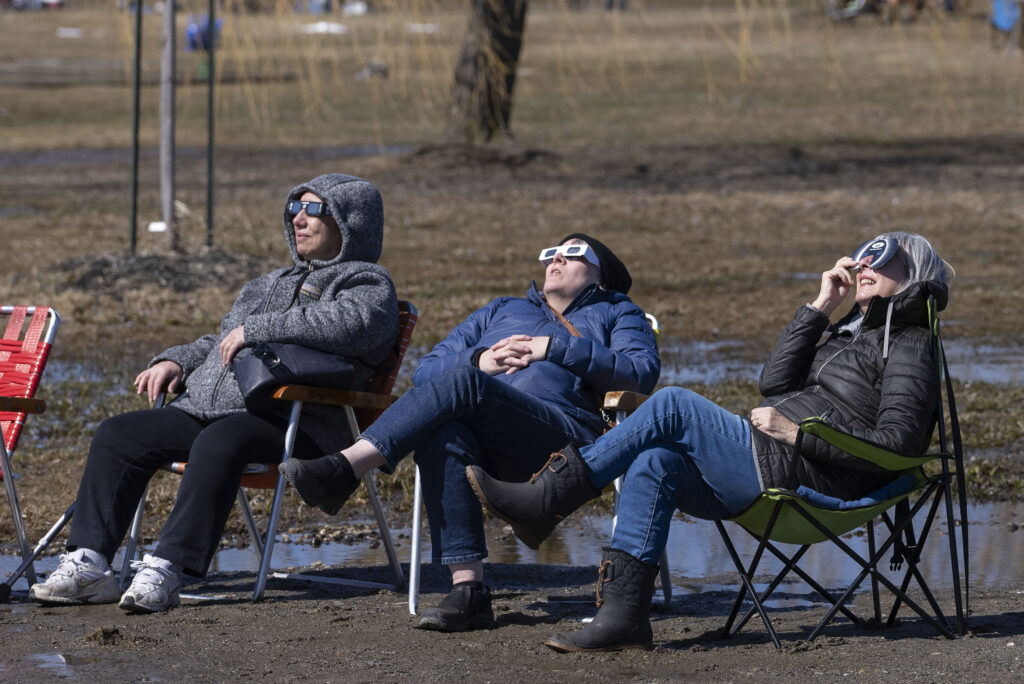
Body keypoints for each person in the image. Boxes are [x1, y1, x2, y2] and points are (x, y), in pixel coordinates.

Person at [469, 231, 952, 651]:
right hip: (774, 466)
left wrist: (796, 435)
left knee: (673, 404)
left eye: (882, 256)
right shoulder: (848, 333)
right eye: (862, 253)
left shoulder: (911, 343)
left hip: (812, 479)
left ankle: (548, 497)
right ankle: (622, 616)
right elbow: (775, 383)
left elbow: (896, 447)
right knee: (654, 460)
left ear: (913, 274)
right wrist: (822, 306)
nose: (865, 263)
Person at [29, 174, 399, 613]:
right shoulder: (266, 284)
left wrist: (258, 328)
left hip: (297, 422)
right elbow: (220, 340)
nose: (299, 218)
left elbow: (349, 326)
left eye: (314, 209)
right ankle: (89, 565)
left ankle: (168, 569)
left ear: (348, 221)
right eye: (294, 209)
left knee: (221, 441)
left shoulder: (367, 284)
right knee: (118, 433)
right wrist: (177, 360)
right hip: (210, 410)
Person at [280, 233, 660, 632]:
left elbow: (639, 372)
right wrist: (482, 358)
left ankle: (347, 468)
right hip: (489, 437)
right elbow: (427, 371)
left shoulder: (619, 311)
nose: (556, 260)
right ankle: (468, 593)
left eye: (574, 253)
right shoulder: (501, 310)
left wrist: (557, 348)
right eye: (551, 252)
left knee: (465, 384)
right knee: (444, 431)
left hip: (563, 441)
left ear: (601, 276)